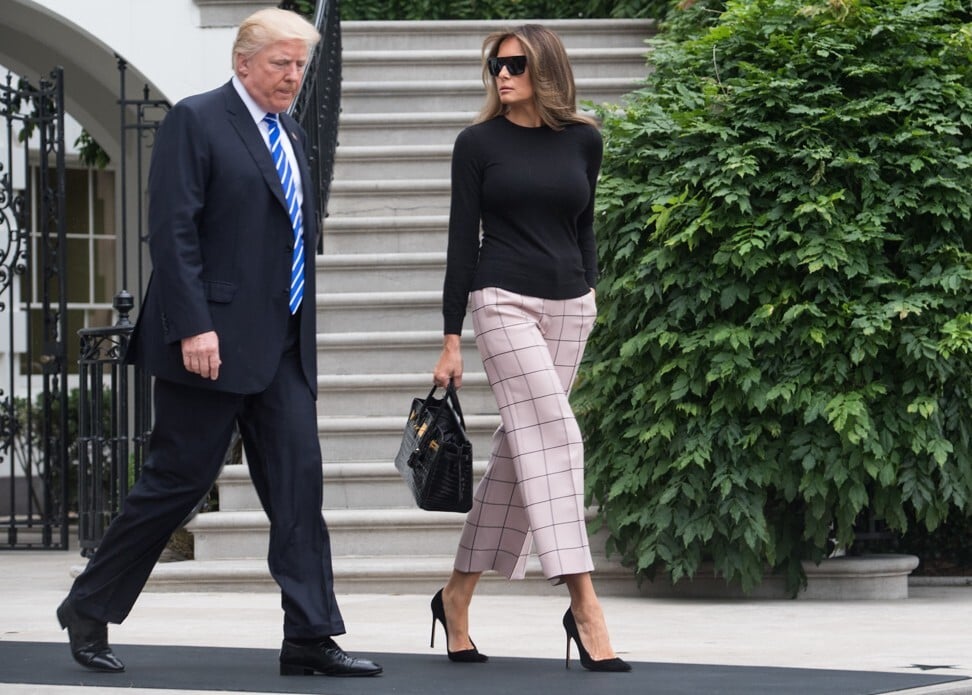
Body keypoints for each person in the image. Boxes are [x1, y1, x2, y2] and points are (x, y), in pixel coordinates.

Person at [55, 8, 381, 678]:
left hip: (283, 345)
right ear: (243, 62)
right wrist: (195, 324)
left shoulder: (289, 129)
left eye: (298, 64)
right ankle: (89, 606)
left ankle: (310, 635)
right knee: (176, 484)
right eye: (280, 64)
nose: (293, 76)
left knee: (298, 490)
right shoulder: (197, 120)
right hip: (210, 343)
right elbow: (172, 232)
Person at [430, 24, 631, 673]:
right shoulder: (477, 144)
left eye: (515, 63)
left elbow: (585, 225)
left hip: (570, 305)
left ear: (545, 68)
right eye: (495, 64)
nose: (503, 74)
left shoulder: (585, 139)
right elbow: (463, 241)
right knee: (556, 437)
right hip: (501, 300)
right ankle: (585, 605)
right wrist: (451, 334)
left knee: (521, 453)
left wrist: (589, 291)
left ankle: (455, 595)